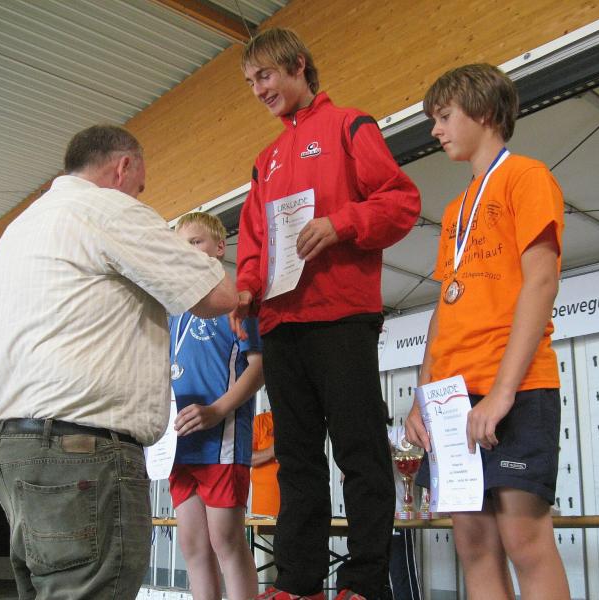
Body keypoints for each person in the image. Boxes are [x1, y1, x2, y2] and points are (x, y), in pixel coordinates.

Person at [0, 125, 237, 600]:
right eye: (140, 186)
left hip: (11, 450)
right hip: (82, 453)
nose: (139, 196)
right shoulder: (109, 209)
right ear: (123, 167)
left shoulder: (20, 229)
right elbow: (217, 295)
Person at [232, 28, 421, 600]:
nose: (258, 89)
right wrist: (246, 288)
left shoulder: (349, 125)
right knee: (296, 458)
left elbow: (400, 201)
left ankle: (364, 581)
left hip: (341, 316)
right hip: (281, 324)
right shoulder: (265, 160)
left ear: (298, 65)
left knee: (360, 451)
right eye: (250, 82)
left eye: (265, 75)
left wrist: (342, 224)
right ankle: (297, 581)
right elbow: (253, 240)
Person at [404, 63, 569, 600]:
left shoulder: (527, 176)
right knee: (473, 545)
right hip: (453, 396)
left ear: (483, 113)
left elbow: (541, 281)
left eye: (444, 116)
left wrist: (502, 392)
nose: (436, 130)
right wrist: (423, 395)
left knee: (525, 541)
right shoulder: (455, 209)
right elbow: (444, 304)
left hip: (515, 385)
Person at [169, 212, 264, 600]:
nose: (188, 252)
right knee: (192, 546)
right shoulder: (174, 311)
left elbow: (259, 367)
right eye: (181, 247)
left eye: (196, 243)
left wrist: (218, 410)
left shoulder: (236, 301)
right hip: (181, 445)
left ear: (220, 247)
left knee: (226, 540)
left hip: (222, 442)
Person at [387, 424, 422, 600]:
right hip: (371, 519)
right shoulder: (359, 439)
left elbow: (416, 456)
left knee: (402, 575)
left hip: (399, 516)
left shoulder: (399, 433)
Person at [251, 410, 280, 518]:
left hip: (297, 505)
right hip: (264, 509)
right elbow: (246, 458)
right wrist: (272, 451)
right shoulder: (259, 421)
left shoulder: (299, 422)